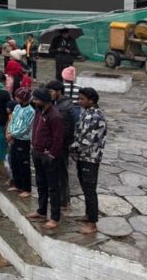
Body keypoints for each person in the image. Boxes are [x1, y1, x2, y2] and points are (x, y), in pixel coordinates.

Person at [70, 87, 107, 235]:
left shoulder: (97, 117)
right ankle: (88, 215)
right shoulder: (87, 113)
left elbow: (88, 140)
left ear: (91, 100)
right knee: (85, 188)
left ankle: (92, 223)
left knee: (90, 190)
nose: (79, 101)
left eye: (82, 99)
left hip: (90, 158)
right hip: (81, 156)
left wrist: (70, 148)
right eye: (79, 98)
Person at [27, 88, 64, 230]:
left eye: (36, 99)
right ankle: (41, 210)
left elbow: (58, 138)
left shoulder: (55, 116)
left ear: (44, 100)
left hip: (49, 156)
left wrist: (51, 154)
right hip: (37, 151)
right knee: (40, 183)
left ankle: (55, 217)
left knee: (53, 187)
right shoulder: (38, 111)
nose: (34, 102)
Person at [48, 80, 76, 211]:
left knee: (61, 173)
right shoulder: (58, 104)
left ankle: (64, 201)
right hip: (58, 144)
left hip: (62, 145)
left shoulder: (64, 107)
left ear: (59, 92)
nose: (50, 94)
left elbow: (64, 130)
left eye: (51, 91)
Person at [7, 88, 35, 198]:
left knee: (24, 164)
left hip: (23, 140)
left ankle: (26, 188)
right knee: (14, 162)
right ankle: (18, 184)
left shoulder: (30, 111)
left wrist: (13, 134)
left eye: (17, 97)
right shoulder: (17, 107)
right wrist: (9, 132)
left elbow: (26, 127)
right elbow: (12, 120)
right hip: (13, 137)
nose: (15, 98)